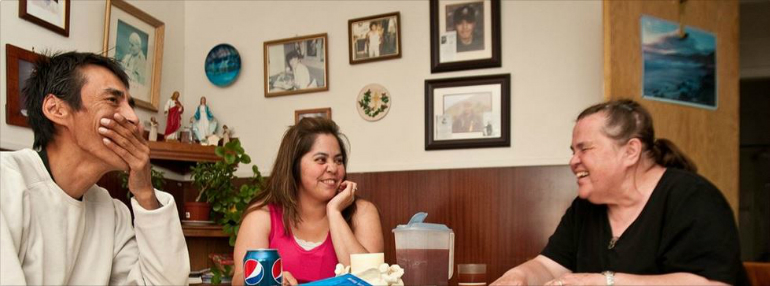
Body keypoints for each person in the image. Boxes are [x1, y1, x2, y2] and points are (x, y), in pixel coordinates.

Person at [492, 99, 746, 286]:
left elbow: (712, 284)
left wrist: (607, 282)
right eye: (572, 151)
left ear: (631, 151)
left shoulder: (693, 198)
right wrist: (519, 276)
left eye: (584, 149)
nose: (573, 161)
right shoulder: (585, 207)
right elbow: (549, 265)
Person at [0, 52, 189, 285]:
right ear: (56, 109)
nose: (133, 118)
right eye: (112, 100)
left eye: (130, 105)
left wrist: (145, 193)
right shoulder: (6, 184)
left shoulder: (111, 212)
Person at [233, 118, 384, 285]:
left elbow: (372, 280)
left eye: (338, 160)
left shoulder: (363, 212)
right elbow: (239, 279)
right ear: (294, 165)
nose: (333, 168)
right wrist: (270, 279)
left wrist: (334, 213)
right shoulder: (260, 218)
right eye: (321, 159)